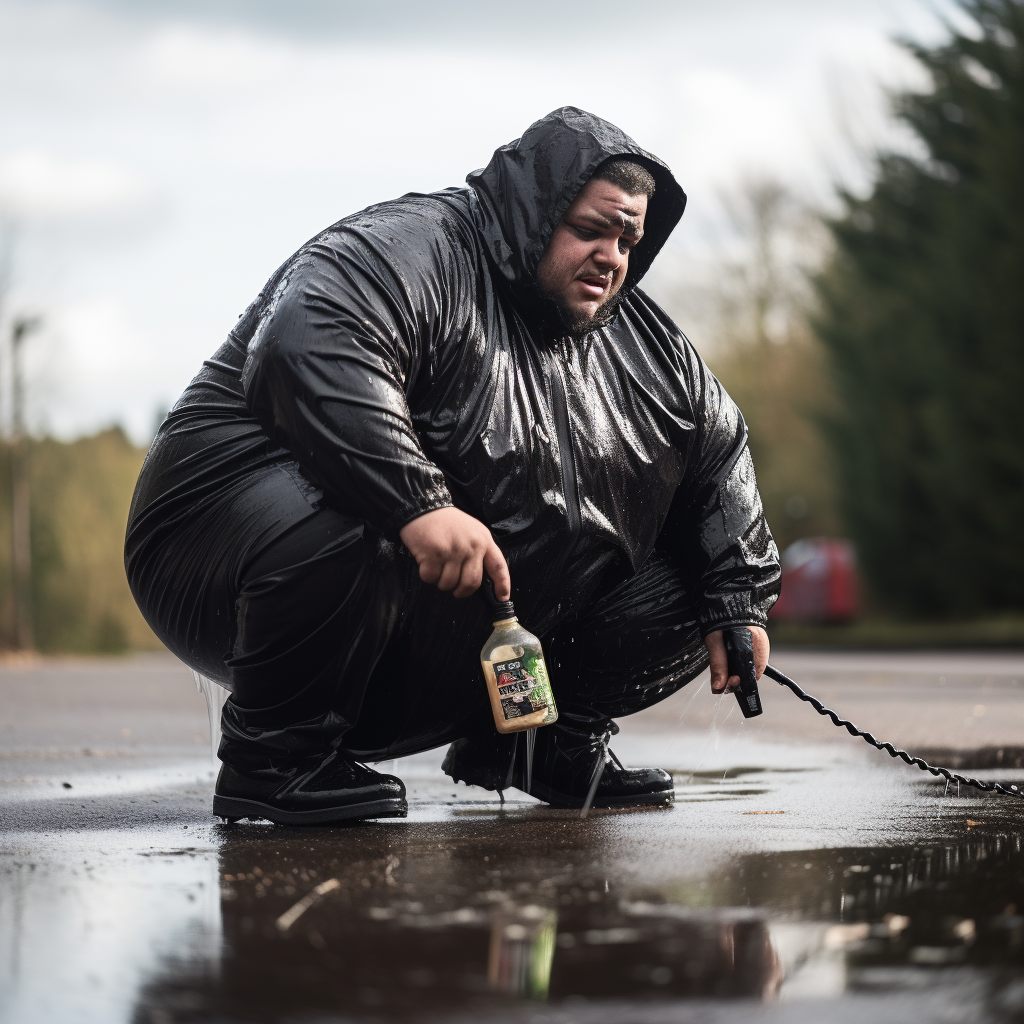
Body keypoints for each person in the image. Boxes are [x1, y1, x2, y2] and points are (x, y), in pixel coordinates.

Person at [125, 107, 780, 825]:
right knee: (351, 509)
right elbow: (306, 344)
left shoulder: (643, 342)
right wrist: (419, 504)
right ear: (535, 213)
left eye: (627, 237)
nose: (612, 256)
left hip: (454, 612)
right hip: (211, 538)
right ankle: (276, 759)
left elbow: (719, 452)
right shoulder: (412, 248)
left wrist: (737, 599)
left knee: (708, 583)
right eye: (590, 229)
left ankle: (539, 743)